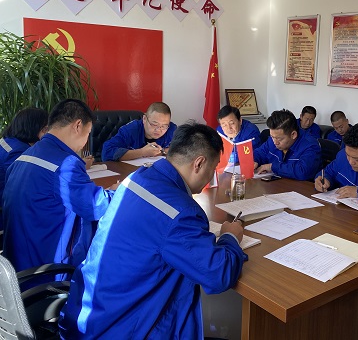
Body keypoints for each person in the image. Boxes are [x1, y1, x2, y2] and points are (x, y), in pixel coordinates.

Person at [59, 122, 246, 339]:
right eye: (212, 170)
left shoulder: (136, 178)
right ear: (199, 163)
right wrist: (230, 236)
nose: (210, 177)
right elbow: (217, 274)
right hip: (121, 327)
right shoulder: (180, 211)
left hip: (88, 312)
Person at [2, 99, 118, 272]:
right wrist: (116, 192)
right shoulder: (65, 163)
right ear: (78, 126)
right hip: (49, 270)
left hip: (17, 264)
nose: (85, 141)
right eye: (88, 133)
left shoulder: (23, 157)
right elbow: (96, 207)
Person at [254, 109, 321, 181]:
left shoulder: (310, 145)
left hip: (301, 186)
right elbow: (259, 152)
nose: (275, 142)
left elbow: (303, 171)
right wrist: (254, 161)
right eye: (272, 137)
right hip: (277, 183)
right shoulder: (273, 139)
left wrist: (272, 167)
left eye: (279, 139)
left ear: (293, 135)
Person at [101, 101, 177, 161]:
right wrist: (142, 152)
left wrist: (163, 151)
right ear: (144, 119)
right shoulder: (131, 130)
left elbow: (181, 149)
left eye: (163, 126)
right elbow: (107, 152)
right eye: (154, 124)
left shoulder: (171, 129)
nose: (158, 130)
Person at [0, 107, 48, 197]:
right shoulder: (17, 152)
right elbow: (28, 183)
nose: (47, 133)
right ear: (32, 127)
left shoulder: (9, 141)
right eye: (45, 129)